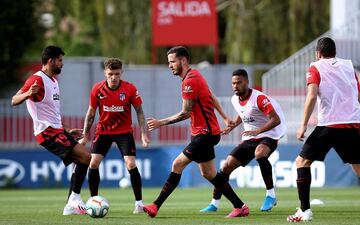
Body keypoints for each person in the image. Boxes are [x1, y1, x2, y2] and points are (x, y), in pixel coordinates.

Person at [287, 37, 360, 224]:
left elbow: (312, 96)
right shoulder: (349, 68)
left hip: (329, 124)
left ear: (318, 53)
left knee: (301, 162)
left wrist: (303, 124)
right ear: (334, 52)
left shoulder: (316, 67)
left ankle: (305, 211)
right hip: (351, 124)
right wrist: (359, 128)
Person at [143, 46, 249, 218]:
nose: (169, 65)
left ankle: (155, 205)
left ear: (183, 61)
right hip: (203, 133)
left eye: (172, 61)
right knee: (208, 173)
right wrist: (224, 116)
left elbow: (185, 112)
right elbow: (211, 95)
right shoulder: (195, 76)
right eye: (168, 62)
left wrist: (160, 122)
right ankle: (240, 206)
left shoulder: (189, 81)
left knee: (177, 164)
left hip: (205, 135)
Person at [11, 46, 91, 215]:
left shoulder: (53, 81)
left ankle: (71, 205)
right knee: (85, 156)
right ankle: (74, 200)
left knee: (81, 160)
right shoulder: (37, 79)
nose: (62, 64)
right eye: (60, 60)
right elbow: (14, 100)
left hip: (56, 131)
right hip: (46, 132)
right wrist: (27, 94)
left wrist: (67, 130)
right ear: (50, 61)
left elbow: (52, 114)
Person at [200, 69, 286, 213]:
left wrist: (258, 131)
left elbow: (275, 119)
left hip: (270, 134)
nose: (235, 86)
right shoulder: (235, 99)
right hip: (250, 136)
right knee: (226, 166)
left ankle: (270, 195)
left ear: (246, 82)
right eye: (233, 83)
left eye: (239, 82)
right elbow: (244, 113)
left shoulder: (259, 99)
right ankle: (214, 203)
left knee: (260, 154)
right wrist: (232, 126)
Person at [79, 58, 150, 214]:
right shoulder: (97, 89)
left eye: (117, 74)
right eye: (110, 74)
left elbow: (140, 112)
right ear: (105, 72)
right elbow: (91, 113)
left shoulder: (130, 89)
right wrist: (85, 135)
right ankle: (94, 201)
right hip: (103, 131)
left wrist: (144, 134)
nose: (113, 77)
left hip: (124, 132)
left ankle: (139, 203)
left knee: (131, 164)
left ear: (121, 73)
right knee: (93, 163)